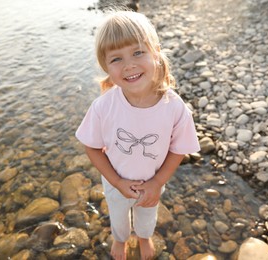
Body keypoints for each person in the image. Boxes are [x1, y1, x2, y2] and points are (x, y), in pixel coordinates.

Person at [76, 11, 200, 260]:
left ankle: (144, 238)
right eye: (116, 59)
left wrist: (157, 182)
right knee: (118, 217)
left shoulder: (173, 107)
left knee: (147, 216)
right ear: (106, 67)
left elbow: (178, 150)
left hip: (152, 180)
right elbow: (92, 148)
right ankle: (120, 240)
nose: (129, 65)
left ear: (155, 52)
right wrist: (116, 181)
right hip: (115, 182)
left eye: (138, 52)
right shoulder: (103, 106)